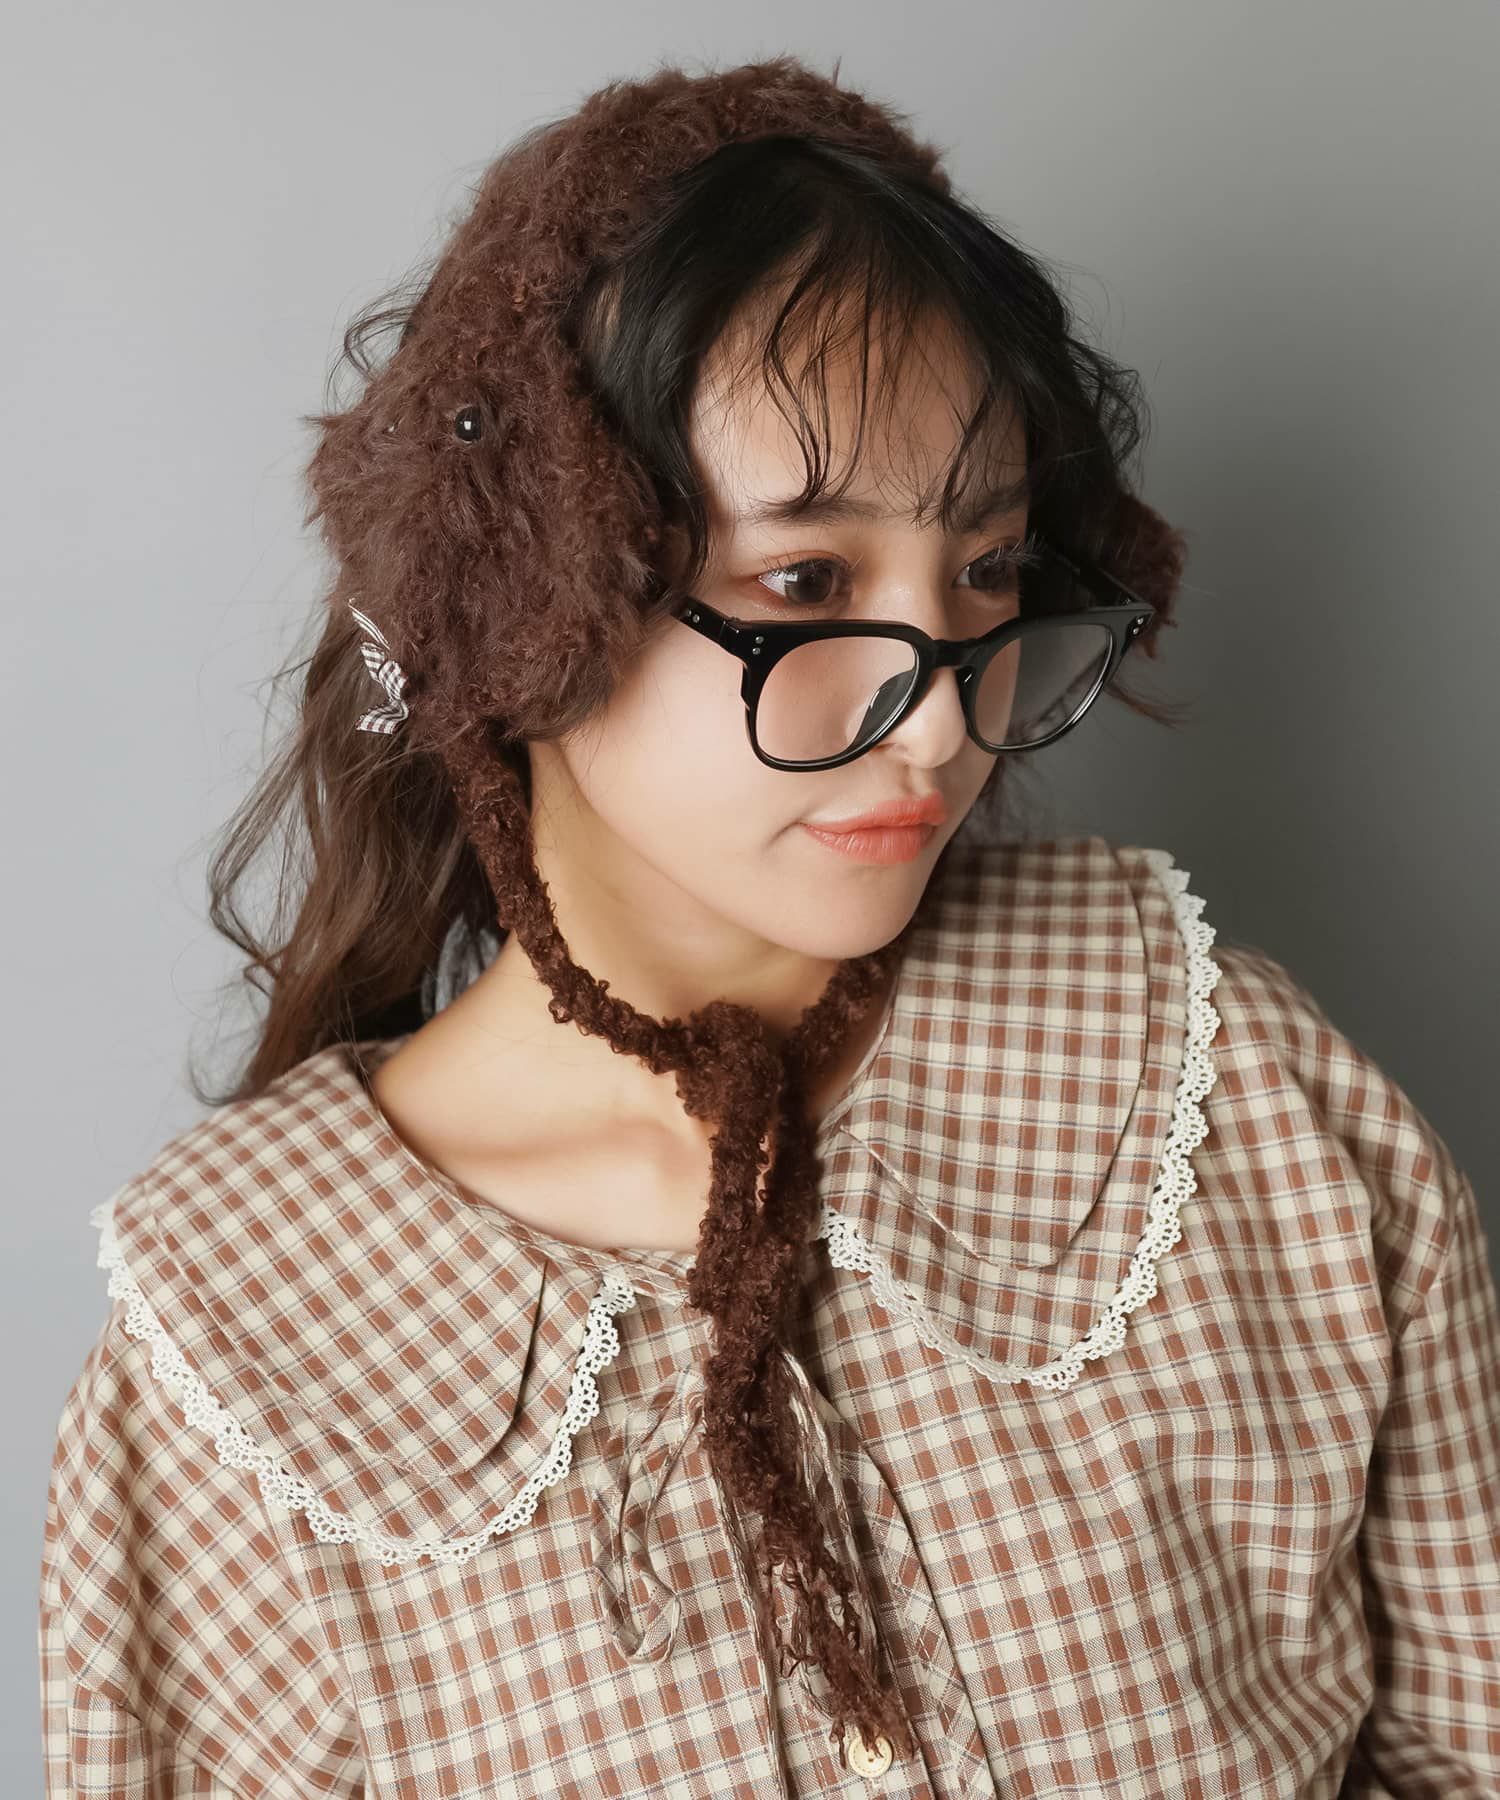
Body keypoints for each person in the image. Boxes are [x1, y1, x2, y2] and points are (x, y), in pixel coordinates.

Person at [39, 54, 1500, 1798]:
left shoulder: (1228, 1100)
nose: (943, 718)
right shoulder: (245, 1347)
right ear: (524, 608)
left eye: (988, 572)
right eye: (806, 583)